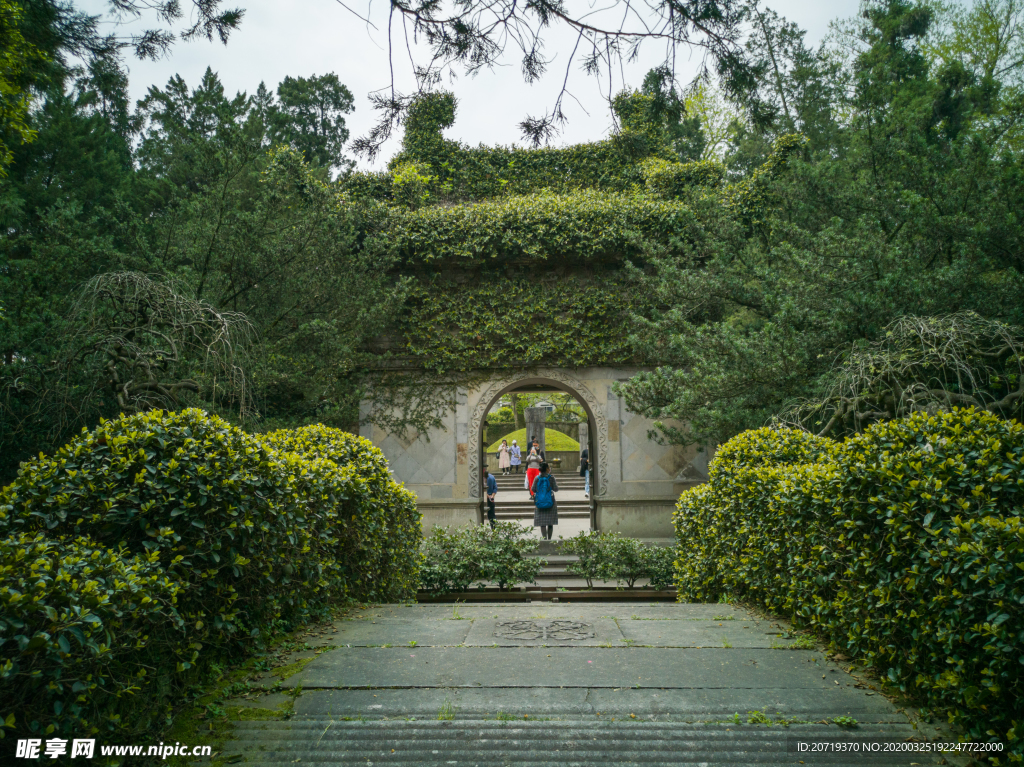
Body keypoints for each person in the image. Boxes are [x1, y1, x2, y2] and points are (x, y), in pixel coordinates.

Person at [532, 462, 559, 540]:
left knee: (542, 523)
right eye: (549, 467)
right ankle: (549, 539)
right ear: (547, 469)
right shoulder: (551, 478)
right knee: (550, 522)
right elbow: (556, 489)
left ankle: (544, 539)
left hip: (540, 502)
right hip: (551, 502)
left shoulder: (537, 478)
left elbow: (533, 489)